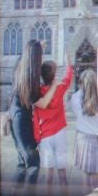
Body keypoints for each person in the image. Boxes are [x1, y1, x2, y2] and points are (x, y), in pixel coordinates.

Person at [33, 60, 74, 188]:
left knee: (48, 175)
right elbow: (68, 78)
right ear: (54, 75)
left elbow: (35, 119)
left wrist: (37, 138)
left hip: (45, 136)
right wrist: (69, 64)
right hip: (60, 133)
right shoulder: (60, 88)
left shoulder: (38, 94)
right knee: (62, 171)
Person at [9, 40, 44, 183]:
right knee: (33, 162)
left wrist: (38, 47)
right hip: (21, 120)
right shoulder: (30, 78)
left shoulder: (19, 66)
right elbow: (40, 102)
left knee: (22, 162)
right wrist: (54, 87)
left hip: (15, 116)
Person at [77, 68, 98, 191]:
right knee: (95, 173)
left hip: (83, 139)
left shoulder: (76, 98)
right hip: (95, 139)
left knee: (85, 174)